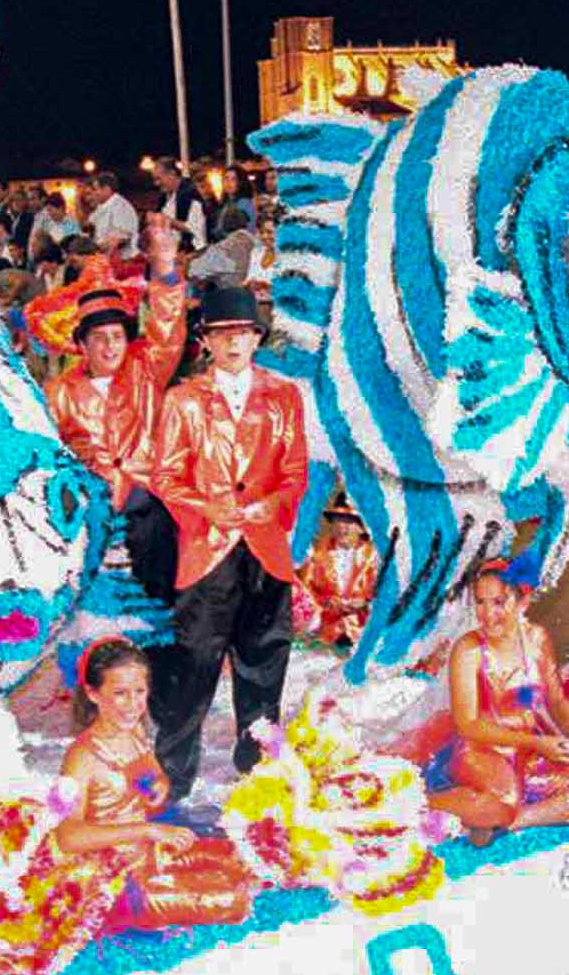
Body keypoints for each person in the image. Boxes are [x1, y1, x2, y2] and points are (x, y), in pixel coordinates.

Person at [148, 284, 309, 798]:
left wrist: (273, 504)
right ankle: (171, 778)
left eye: (242, 332)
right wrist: (206, 508)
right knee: (192, 667)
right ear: (206, 341)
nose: (233, 342)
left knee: (264, 664)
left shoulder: (284, 396)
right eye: (222, 333)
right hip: (206, 552)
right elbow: (166, 476)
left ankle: (259, 772)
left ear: (257, 338)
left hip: (265, 548)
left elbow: (296, 470)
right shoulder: (182, 401)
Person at [425, 559, 569, 845]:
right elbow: (468, 725)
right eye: (480, 602)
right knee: (502, 802)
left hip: (529, 754)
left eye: (498, 602)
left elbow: (555, 700)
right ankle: (424, 802)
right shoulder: (468, 649)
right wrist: (536, 743)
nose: (487, 614)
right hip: (479, 753)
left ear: (523, 601)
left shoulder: (537, 638)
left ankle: (519, 819)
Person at [52, 638, 255, 928]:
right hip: (113, 879)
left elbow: (151, 769)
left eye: (140, 692)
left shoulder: (132, 729)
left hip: (146, 852)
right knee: (231, 899)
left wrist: (158, 782)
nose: (133, 704)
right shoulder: (82, 757)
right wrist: (148, 829)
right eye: (120, 693)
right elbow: (68, 837)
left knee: (240, 858)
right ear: (93, 693)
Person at [43, 217, 184, 596]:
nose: (110, 347)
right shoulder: (58, 392)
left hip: (147, 504)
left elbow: (168, 331)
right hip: (88, 513)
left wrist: (166, 269)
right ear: (82, 346)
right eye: (99, 338)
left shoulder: (144, 370)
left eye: (118, 337)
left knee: (158, 592)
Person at [295, 502, 379, 648]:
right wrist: (327, 602)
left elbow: (385, 595)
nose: (342, 527)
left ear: (361, 528)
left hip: (365, 631)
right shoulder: (318, 556)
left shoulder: (374, 557)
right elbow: (307, 592)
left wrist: (364, 603)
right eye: (338, 521)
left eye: (349, 522)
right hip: (326, 632)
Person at [152, 157, 206, 249]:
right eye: (155, 180)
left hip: (191, 253)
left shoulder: (190, 193)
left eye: (159, 178)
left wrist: (168, 221)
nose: (156, 183)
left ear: (172, 174)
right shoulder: (164, 197)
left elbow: (195, 229)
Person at [84, 171, 140, 260]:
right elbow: (89, 227)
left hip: (123, 260)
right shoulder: (101, 207)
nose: (93, 194)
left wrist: (99, 252)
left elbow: (120, 240)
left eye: (95, 189)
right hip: (105, 258)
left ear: (106, 189)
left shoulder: (121, 206)